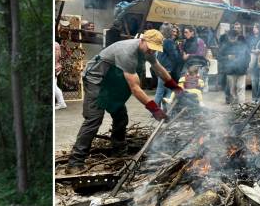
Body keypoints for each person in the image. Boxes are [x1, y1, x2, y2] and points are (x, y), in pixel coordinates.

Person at [66, 29, 183, 172]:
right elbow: (135, 88)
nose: (152, 52)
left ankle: (119, 153)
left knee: (121, 117)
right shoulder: (127, 52)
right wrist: (155, 109)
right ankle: (75, 162)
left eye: (155, 49)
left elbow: (159, 68)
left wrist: (176, 88)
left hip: (110, 83)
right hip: (96, 80)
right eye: (151, 48)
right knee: (94, 119)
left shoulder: (148, 51)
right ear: (143, 41)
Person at [219, 24, 251, 105]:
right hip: (230, 71)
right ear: (228, 37)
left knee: (241, 89)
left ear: (237, 37)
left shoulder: (243, 45)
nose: (232, 39)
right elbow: (219, 57)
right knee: (232, 90)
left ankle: (241, 105)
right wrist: (227, 57)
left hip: (241, 71)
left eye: (234, 38)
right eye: (230, 38)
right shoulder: (225, 46)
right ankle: (233, 107)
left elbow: (248, 57)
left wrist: (245, 67)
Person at [153, 24, 183, 107]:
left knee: (164, 90)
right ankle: (156, 110)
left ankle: (163, 109)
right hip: (166, 69)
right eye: (172, 31)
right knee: (162, 90)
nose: (174, 33)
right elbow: (174, 55)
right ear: (169, 32)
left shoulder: (162, 40)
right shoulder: (168, 41)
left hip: (161, 68)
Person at [54, 39, 67, 110]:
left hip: (55, 68)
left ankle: (61, 103)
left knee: (54, 87)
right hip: (56, 67)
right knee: (54, 86)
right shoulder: (56, 44)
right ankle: (61, 103)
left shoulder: (55, 45)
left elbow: (55, 57)